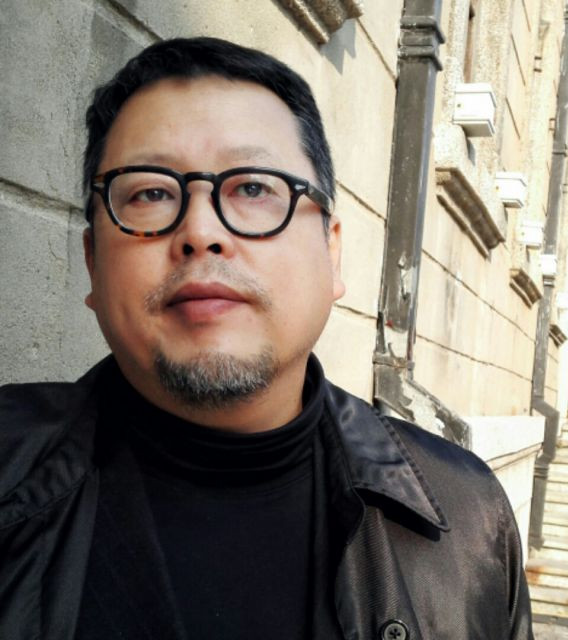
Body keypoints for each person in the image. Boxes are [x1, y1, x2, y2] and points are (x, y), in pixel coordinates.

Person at [0, 37, 533, 640]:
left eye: (253, 188)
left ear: (332, 252)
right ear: (93, 262)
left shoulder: (468, 520)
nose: (201, 231)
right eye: (150, 193)